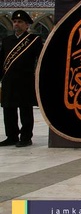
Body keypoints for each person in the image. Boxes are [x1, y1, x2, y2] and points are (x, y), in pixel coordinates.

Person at [0, 10, 43, 147]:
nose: (16, 24)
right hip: (9, 80)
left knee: (25, 110)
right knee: (9, 109)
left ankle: (25, 137)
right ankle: (11, 136)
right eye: (14, 22)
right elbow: (2, 60)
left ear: (26, 25)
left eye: (19, 22)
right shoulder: (7, 41)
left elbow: (41, 60)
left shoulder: (34, 40)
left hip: (25, 80)